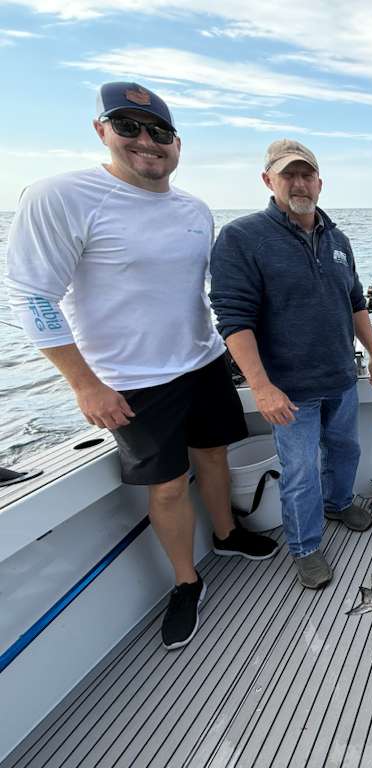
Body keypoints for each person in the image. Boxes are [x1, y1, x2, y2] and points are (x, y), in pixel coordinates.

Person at [4, 82, 279, 651]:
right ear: (101, 131)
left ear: (177, 144)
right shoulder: (60, 195)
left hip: (203, 364)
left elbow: (211, 291)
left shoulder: (194, 210)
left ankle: (226, 534)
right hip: (130, 382)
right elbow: (31, 296)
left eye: (159, 132)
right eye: (128, 127)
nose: (146, 142)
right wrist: (85, 384)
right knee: (170, 487)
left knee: (214, 455)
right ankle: (186, 580)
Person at [210, 139, 372, 590]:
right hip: (289, 390)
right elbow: (233, 318)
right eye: (288, 174)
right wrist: (262, 387)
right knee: (301, 471)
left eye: (306, 174)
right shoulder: (241, 237)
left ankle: (339, 503)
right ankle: (306, 547)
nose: (299, 183)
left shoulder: (337, 238)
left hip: (341, 378)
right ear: (268, 181)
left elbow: (355, 302)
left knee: (346, 450)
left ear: (320, 183)